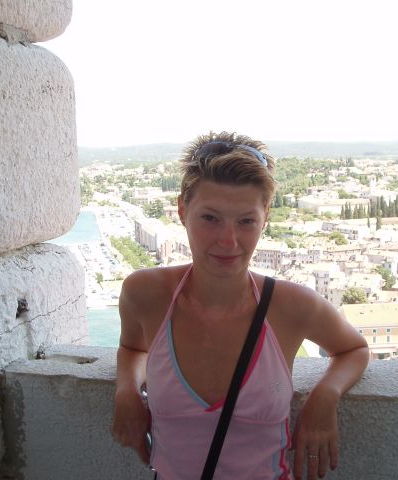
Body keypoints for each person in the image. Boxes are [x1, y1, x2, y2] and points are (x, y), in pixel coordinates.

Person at [111, 131, 369, 480]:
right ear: (182, 210)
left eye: (246, 221)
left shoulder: (292, 306)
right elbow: (132, 348)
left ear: (265, 217)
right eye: (210, 218)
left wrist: (325, 396)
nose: (228, 241)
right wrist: (127, 390)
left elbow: (354, 349)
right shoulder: (145, 293)